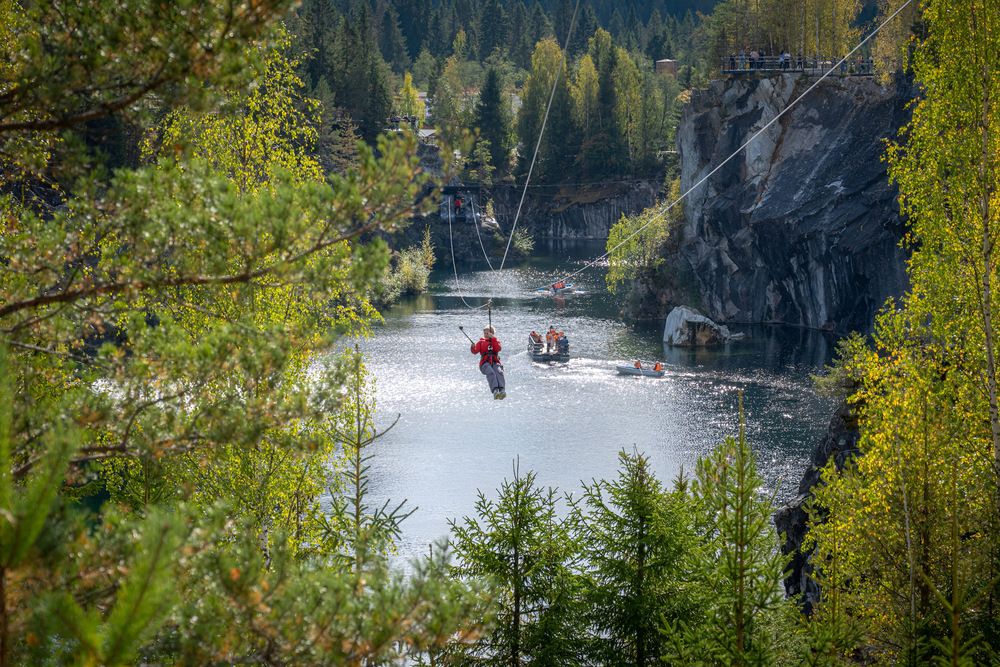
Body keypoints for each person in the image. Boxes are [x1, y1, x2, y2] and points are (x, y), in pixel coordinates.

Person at [471, 326, 506, 399]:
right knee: (491, 372)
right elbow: (475, 351)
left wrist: (493, 339)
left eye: (487, 333)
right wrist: (472, 347)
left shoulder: (495, 341)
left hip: (494, 362)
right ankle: (495, 390)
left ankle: (502, 389)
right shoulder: (481, 342)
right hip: (484, 364)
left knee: (499, 371)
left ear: (492, 333)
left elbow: (498, 348)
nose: (486, 334)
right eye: (485, 333)